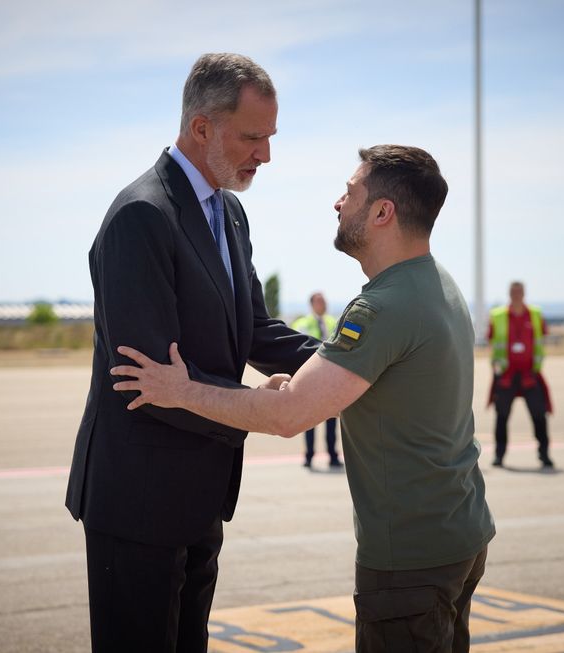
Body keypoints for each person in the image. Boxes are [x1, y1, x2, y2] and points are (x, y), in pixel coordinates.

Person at [111, 145, 496, 652]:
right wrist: (315, 376)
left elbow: (289, 414)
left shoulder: (383, 306)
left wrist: (181, 390)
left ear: (383, 213)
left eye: (351, 192)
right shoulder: (437, 283)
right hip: (460, 535)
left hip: (411, 558)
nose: (338, 203)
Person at [64, 53, 318, 652]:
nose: (266, 154)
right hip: (138, 500)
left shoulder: (227, 212)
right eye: (253, 137)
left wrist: (346, 365)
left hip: (200, 493)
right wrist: (254, 407)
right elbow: (145, 377)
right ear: (201, 127)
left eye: (270, 137)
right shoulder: (142, 216)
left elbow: (254, 330)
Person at [487, 281, 554, 469]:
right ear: (509, 293)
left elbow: (543, 337)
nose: (516, 295)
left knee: (539, 415)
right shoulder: (497, 315)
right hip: (506, 376)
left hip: (529, 375)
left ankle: (544, 454)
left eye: (519, 292)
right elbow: (491, 339)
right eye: (513, 292)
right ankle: (499, 455)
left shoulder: (535, 314)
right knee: (501, 416)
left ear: (524, 293)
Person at [290, 292, 341, 469]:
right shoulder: (301, 324)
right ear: (312, 304)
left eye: (325, 301)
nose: (323, 304)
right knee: (309, 421)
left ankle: (333, 456)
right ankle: (309, 456)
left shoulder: (333, 322)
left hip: (330, 380)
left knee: (332, 421)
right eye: (320, 301)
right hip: (311, 380)